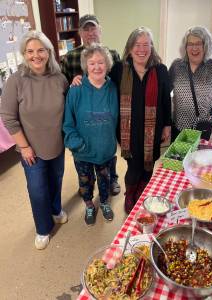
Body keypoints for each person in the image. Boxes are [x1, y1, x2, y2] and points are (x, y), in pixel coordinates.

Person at [0, 31, 69, 250]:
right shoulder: (16, 80)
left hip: (57, 144)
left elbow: (69, 108)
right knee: (37, 188)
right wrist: (24, 147)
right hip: (31, 149)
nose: (35, 55)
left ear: (48, 52)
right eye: (30, 51)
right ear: (24, 54)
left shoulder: (60, 78)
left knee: (56, 180)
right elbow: (9, 118)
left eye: (40, 50)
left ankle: (56, 209)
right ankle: (42, 227)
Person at [110, 27, 171, 214]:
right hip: (128, 130)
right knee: (134, 165)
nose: (142, 49)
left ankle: (142, 193)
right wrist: (79, 78)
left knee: (149, 163)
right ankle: (130, 195)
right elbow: (99, 81)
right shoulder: (119, 69)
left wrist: (167, 124)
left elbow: (165, 99)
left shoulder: (160, 70)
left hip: (153, 129)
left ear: (151, 48)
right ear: (129, 48)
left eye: (146, 45)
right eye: (137, 45)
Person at [61, 14, 121, 196]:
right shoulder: (70, 57)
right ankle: (88, 187)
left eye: (93, 28)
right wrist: (74, 81)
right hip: (82, 114)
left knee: (107, 157)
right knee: (86, 172)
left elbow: (117, 83)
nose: (90, 33)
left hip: (106, 115)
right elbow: (64, 87)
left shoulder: (113, 54)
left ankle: (112, 179)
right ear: (80, 33)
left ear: (99, 30)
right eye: (85, 29)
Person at [63, 44, 118, 225]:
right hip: (83, 151)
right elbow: (68, 123)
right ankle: (88, 205)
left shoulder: (112, 88)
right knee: (85, 182)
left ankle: (103, 203)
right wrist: (78, 144)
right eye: (92, 63)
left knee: (105, 181)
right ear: (86, 66)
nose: (96, 67)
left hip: (105, 150)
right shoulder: (76, 89)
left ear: (107, 64)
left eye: (101, 62)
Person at [169, 26, 212, 141]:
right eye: (190, 44)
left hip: (203, 128)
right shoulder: (176, 66)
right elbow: (164, 93)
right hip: (179, 126)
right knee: (178, 158)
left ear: (205, 45)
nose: (194, 48)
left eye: (198, 43)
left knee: (199, 158)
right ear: (185, 47)